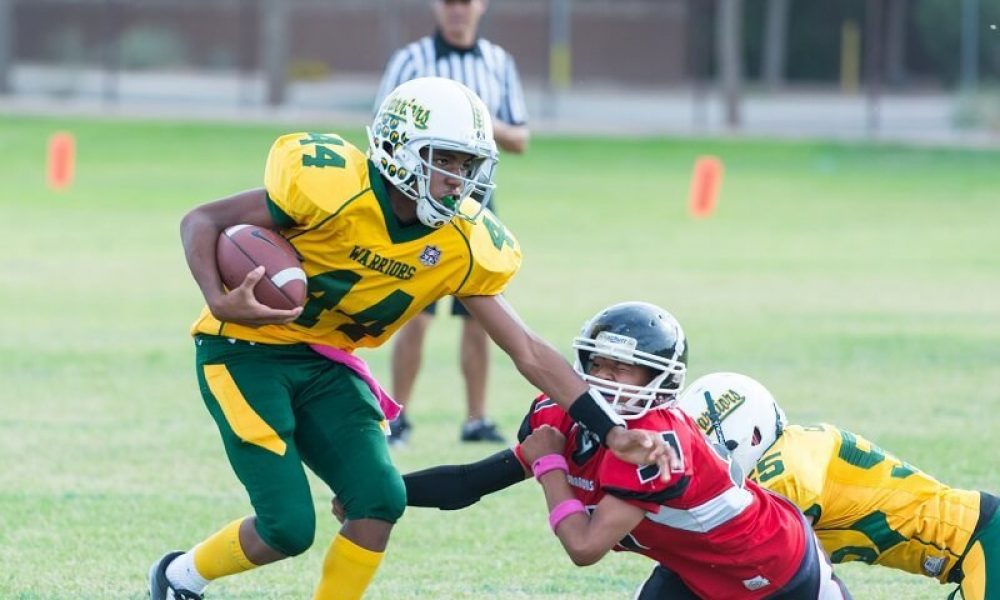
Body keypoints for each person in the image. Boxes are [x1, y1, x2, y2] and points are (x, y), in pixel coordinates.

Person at [147, 78, 674, 600]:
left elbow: (528, 350)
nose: (459, 180)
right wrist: (218, 297)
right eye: (447, 160)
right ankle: (179, 576)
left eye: (468, 166)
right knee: (288, 527)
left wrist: (610, 431)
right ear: (400, 151)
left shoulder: (461, 243)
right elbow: (202, 219)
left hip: (326, 362)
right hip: (243, 351)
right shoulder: (332, 190)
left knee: (379, 499)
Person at [354, 302, 849, 598]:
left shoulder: (656, 442)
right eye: (600, 363)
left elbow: (585, 547)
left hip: (778, 569)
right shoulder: (562, 415)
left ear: (657, 381)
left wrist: (548, 465)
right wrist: (378, 493)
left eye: (623, 369)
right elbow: (469, 483)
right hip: (697, 572)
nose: (606, 379)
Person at [677, 372, 999, 600]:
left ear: (751, 436)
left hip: (985, 544)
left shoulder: (786, 472)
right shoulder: (794, 449)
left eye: (708, 453)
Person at [374, 0, 530, 445]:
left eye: (466, 2)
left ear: (481, 7)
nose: (457, 11)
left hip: (475, 202)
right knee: (414, 309)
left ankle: (476, 418)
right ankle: (396, 416)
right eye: (449, 2)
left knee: (480, 311)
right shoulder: (410, 59)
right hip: (416, 195)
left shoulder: (499, 62)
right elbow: (383, 122)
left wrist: (467, 121)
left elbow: (520, 136)